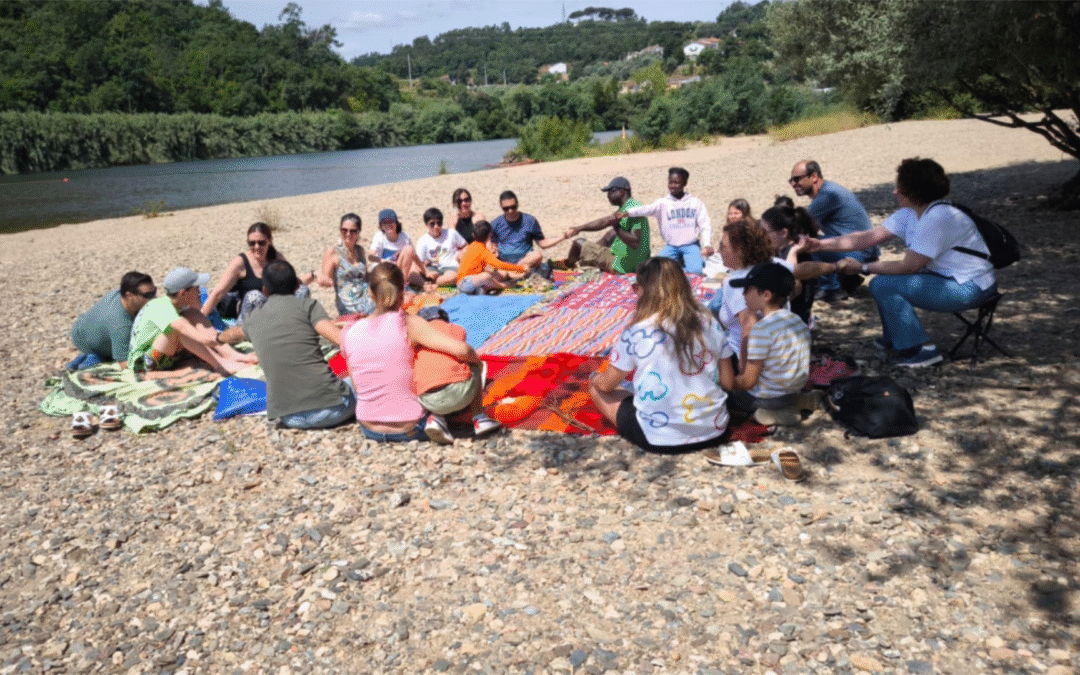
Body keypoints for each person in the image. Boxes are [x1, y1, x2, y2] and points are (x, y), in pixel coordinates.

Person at [804, 157, 997, 368]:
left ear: (915, 191)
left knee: (883, 285)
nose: (895, 192)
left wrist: (863, 268)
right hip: (947, 277)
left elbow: (910, 266)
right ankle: (896, 338)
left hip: (971, 286)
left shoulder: (938, 217)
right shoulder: (911, 213)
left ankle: (922, 350)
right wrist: (820, 245)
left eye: (900, 188)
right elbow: (867, 237)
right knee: (883, 282)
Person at [589, 257, 732, 454]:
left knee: (598, 388)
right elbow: (728, 381)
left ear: (641, 289)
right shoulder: (708, 320)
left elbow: (606, 385)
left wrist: (595, 379)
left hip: (658, 439)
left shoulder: (637, 331)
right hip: (715, 431)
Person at [341, 262, 495, 443]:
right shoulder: (408, 323)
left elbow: (359, 387)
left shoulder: (349, 331)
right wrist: (476, 361)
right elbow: (461, 350)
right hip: (411, 427)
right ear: (402, 293)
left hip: (368, 427)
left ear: (370, 293)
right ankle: (461, 417)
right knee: (452, 362)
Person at [244, 260, 355, 429]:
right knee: (359, 379)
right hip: (335, 409)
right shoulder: (308, 306)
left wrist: (219, 337)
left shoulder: (253, 319)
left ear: (264, 290)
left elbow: (235, 333)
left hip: (289, 417)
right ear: (297, 285)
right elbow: (342, 341)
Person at [720, 262, 814, 426]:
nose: (742, 295)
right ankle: (798, 402)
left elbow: (748, 381)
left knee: (722, 395)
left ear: (766, 295)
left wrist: (726, 381)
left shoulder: (762, 329)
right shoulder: (796, 320)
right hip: (792, 390)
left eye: (747, 290)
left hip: (767, 398)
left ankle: (769, 414)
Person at [128, 267, 257, 375]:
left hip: (165, 354)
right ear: (183, 293)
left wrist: (197, 306)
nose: (200, 290)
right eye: (196, 287)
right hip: (144, 365)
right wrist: (217, 338)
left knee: (192, 314)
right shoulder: (160, 306)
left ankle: (231, 355)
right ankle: (219, 364)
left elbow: (198, 318)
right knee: (179, 327)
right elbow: (187, 330)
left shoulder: (178, 304)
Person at [789, 160, 879, 302]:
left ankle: (831, 289)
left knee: (809, 244)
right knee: (813, 240)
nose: (793, 184)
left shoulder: (828, 195)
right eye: (791, 181)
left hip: (861, 251)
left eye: (797, 179)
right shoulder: (829, 190)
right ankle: (849, 281)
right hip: (862, 248)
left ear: (814, 177)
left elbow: (801, 227)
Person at [412, 311, 501, 443]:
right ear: (445, 318)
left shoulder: (415, 336)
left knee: (425, 373)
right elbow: (463, 351)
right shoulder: (456, 328)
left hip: (427, 400)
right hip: (459, 395)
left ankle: (435, 418)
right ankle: (479, 418)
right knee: (473, 363)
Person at [709, 219, 790, 360]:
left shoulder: (738, 283)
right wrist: (836, 266)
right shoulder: (775, 265)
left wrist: (744, 373)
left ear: (739, 250)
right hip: (780, 353)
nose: (718, 250)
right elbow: (801, 269)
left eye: (723, 246)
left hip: (743, 357)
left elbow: (749, 326)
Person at [201, 222, 314, 323]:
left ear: (270, 241)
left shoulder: (277, 258)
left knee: (303, 290)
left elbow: (293, 283)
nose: (256, 247)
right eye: (252, 243)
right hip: (249, 317)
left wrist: (314, 275)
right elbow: (219, 292)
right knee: (255, 296)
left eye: (261, 243)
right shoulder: (240, 262)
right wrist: (200, 319)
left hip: (275, 311)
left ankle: (299, 327)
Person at [619, 167, 713, 275]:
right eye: (670, 182)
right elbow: (646, 209)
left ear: (685, 183)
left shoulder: (696, 203)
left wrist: (707, 244)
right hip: (671, 246)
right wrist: (628, 212)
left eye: (677, 182)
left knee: (697, 271)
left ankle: (676, 272)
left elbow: (705, 225)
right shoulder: (662, 203)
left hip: (691, 245)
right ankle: (676, 270)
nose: (673, 185)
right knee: (653, 268)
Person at [760, 205, 833, 324]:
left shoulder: (794, 255)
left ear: (783, 233)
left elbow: (791, 291)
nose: (761, 235)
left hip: (793, 323)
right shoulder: (784, 251)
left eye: (764, 231)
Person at [562, 176, 650, 274]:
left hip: (622, 266)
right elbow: (605, 221)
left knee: (578, 243)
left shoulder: (631, 209)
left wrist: (616, 227)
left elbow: (635, 243)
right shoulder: (632, 206)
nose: (608, 195)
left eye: (611, 191)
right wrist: (579, 228)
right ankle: (589, 255)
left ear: (621, 192)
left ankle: (568, 267)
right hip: (639, 263)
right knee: (611, 233)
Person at [68, 271, 156, 370]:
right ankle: (96, 358)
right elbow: (125, 363)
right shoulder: (122, 325)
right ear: (129, 296)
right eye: (147, 295)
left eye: (154, 292)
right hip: (89, 343)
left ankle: (85, 357)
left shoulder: (119, 293)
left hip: (81, 328)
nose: (153, 298)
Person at [489, 190, 565, 275]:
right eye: (506, 208)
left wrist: (564, 236)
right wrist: (494, 251)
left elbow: (542, 243)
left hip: (525, 260)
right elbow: (493, 245)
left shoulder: (530, 221)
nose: (510, 211)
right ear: (501, 207)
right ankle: (515, 272)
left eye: (513, 207)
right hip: (504, 261)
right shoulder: (495, 223)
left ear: (517, 204)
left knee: (537, 255)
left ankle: (513, 271)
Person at [317, 213, 375, 318]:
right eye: (344, 230)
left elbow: (366, 277)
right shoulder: (332, 252)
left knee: (402, 301)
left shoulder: (360, 250)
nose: (348, 234)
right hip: (349, 305)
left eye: (353, 231)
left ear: (358, 232)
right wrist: (318, 276)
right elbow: (326, 279)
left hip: (368, 299)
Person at [456, 221, 524, 294]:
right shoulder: (483, 251)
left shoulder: (473, 246)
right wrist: (520, 268)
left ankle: (485, 289)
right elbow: (500, 265)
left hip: (472, 281)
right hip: (464, 283)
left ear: (473, 235)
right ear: (490, 235)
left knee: (501, 273)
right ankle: (503, 286)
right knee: (486, 276)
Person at [369, 208, 428, 287]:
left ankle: (425, 285)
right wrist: (383, 261)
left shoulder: (404, 236)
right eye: (384, 223)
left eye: (391, 221)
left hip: (398, 269)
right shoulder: (379, 236)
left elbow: (414, 255)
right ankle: (403, 285)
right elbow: (370, 257)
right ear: (381, 226)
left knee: (411, 256)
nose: (388, 225)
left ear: (396, 223)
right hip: (383, 270)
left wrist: (425, 271)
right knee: (410, 261)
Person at [415, 207, 467, 287]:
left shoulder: (451, 233)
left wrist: (461, 253)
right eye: (432, 224)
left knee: (452, 277)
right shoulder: (423, 241)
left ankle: (435, 283)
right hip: (433, 268)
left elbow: (465, 246)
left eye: (439, 223)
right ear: (426, 225)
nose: (436, 226)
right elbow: (419, 262)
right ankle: (435, 282)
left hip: (451, 267)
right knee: (414, 270)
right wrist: (426, 272)